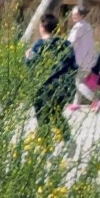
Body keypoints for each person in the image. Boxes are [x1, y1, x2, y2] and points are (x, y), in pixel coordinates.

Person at [26, 12, 76, 143]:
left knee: (43, 117)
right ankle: (68, 139)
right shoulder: (66, 45)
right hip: (62, 87)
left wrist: (28, 57)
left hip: (44, 87)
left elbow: (32, 66)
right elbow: (74, 67)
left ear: (42, 27)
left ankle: (47, 148)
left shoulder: (39, 45)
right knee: (57, 113)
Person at [66, 5, 95, 106]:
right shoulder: (88, 26)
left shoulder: (78, 27)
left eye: (75, 14)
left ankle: (95, 100)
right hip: (87, 59)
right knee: (79, 80)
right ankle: (76, 103)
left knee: (79, 82)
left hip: (79, 59)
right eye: (72, 14)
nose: (73, 16)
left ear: (81, 15)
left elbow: (70, 43)